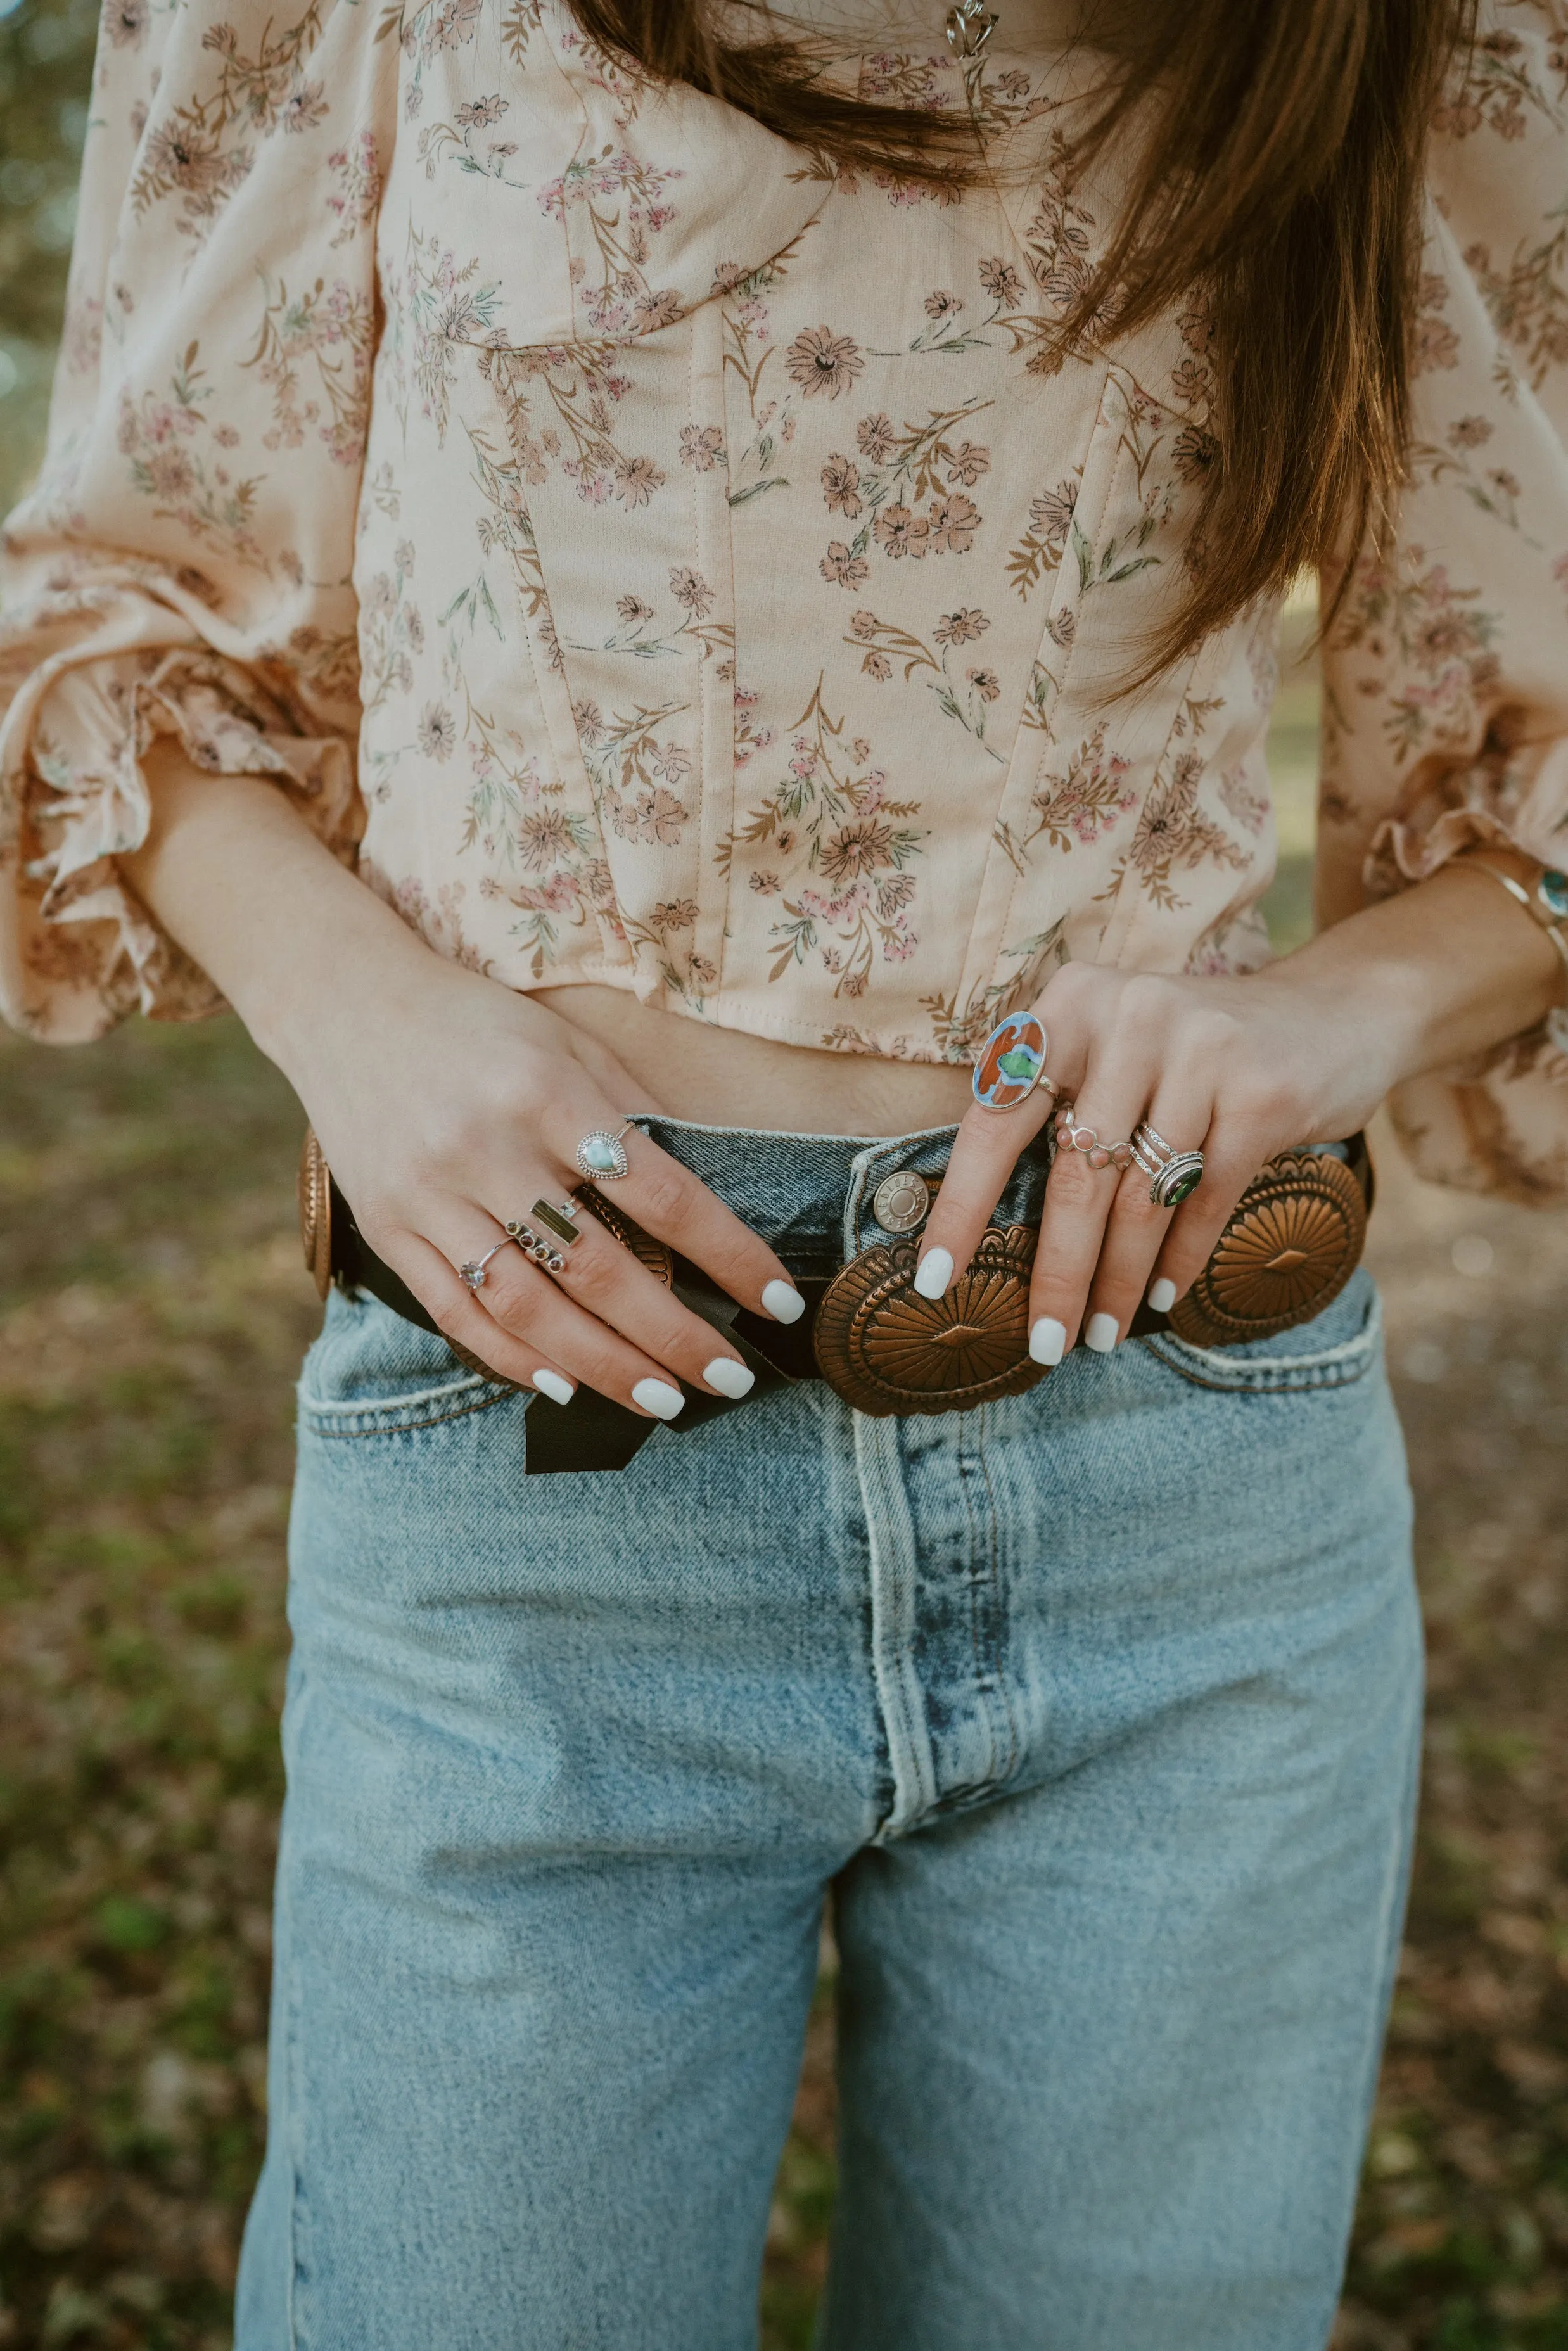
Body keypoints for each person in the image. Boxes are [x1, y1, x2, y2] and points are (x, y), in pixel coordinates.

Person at [3, 0, 1567, 2340]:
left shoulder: (1386, 24)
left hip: (1191, 1501)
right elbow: (108, 608)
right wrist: (364, 1022)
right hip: (541, 1496)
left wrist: (1340, 1004)